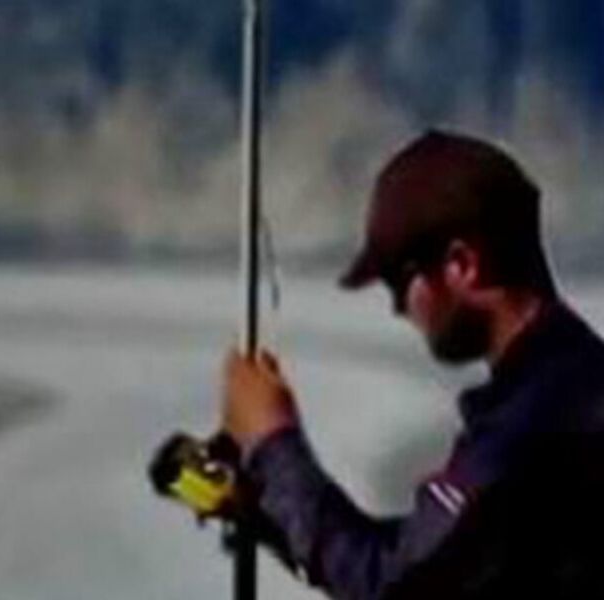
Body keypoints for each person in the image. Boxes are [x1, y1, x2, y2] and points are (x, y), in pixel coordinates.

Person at [222, 130, 604, 599]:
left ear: (462, 264)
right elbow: (442, 555)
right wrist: (268, 510)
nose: (398, 309)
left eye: (398, 282)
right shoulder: (572, 385)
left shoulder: (533, 425)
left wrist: (272, 440)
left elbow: (394, 584)